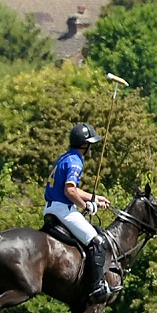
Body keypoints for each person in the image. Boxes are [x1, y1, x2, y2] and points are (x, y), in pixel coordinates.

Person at [45, 123, 113, 303]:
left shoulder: (64, 157)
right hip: (64, 209)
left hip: (51, 207)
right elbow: (70, 191)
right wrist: (86, 206)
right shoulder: (76, 161)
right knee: (97, 241)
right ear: (85, 144)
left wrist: (94, 197)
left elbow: (73, 189)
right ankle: (97, 285)